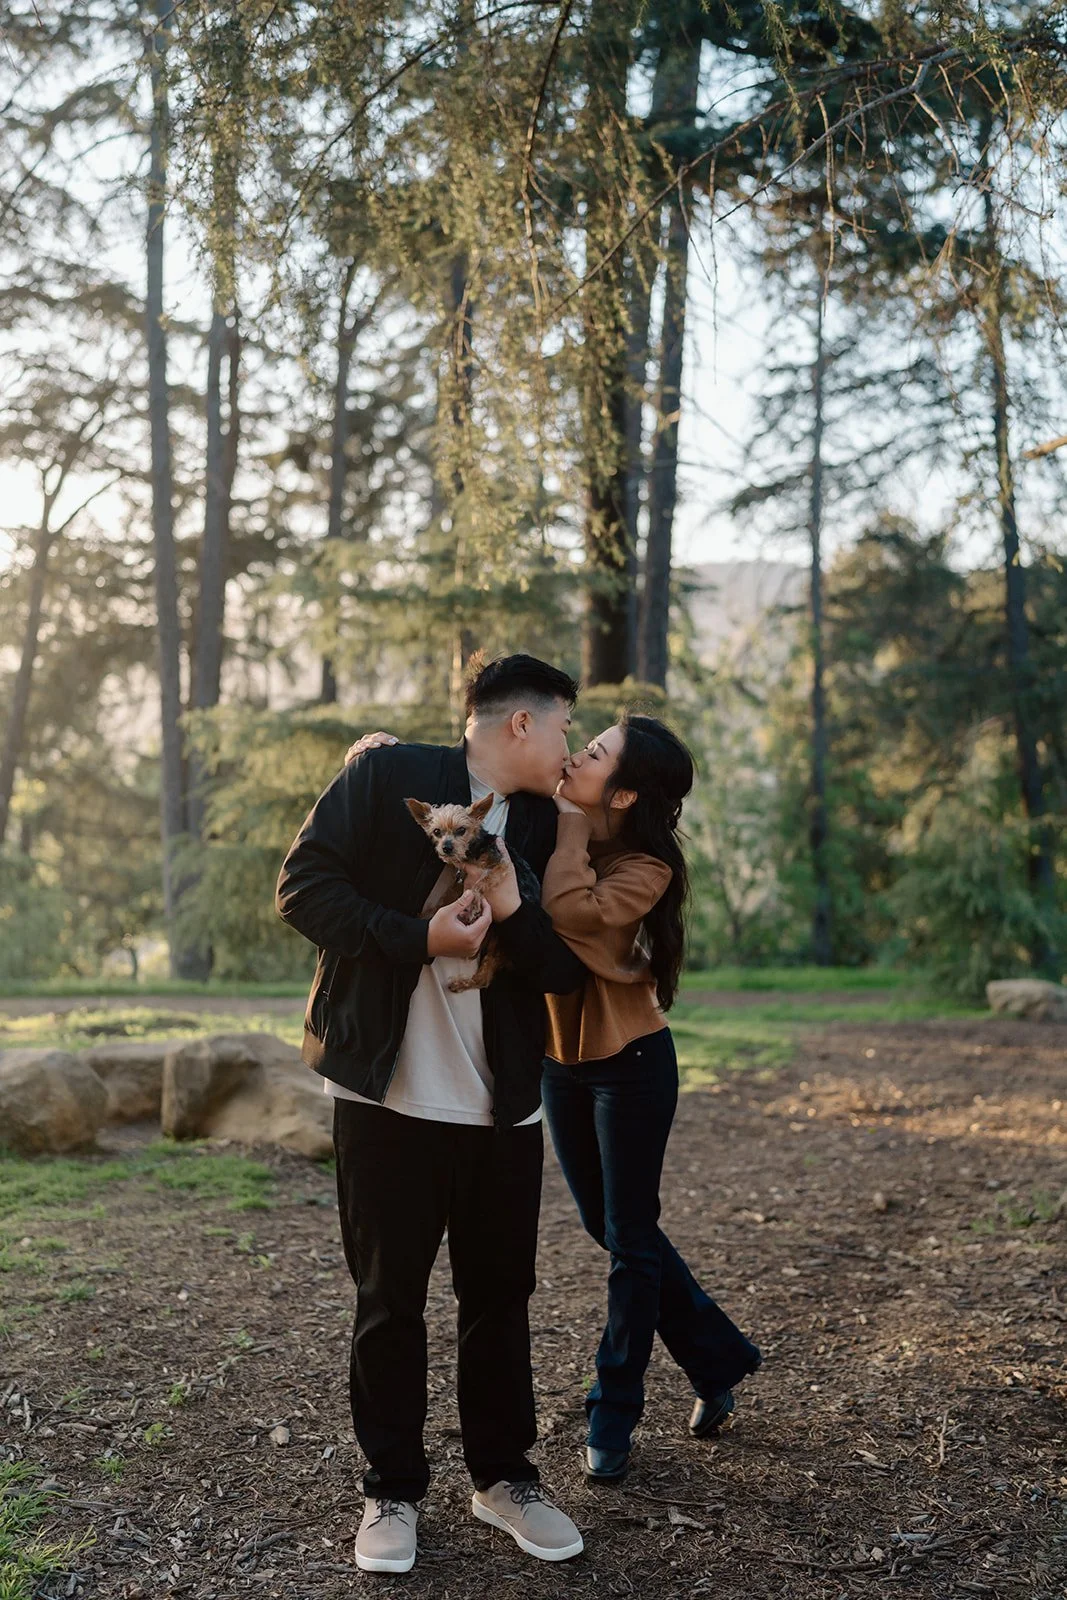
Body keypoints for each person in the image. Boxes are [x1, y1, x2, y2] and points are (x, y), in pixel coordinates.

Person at [276, 654, 587, 1575]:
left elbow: (565, 974)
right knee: (388, 1303)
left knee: (500, 1300)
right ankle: (391, 1491)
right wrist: (418, 939)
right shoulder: (385, 777)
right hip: (385, 1097)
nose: (571, 745)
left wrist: (510, 905)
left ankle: (504, 1479)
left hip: (504, 1110)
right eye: (566, 725)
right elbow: (303, 890)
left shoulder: (556, 825)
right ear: (520, 724)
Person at [539, 714, 762, 1483]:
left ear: (625, 791)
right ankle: (719, 1359)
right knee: (609, 1228)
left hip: (629, 1063)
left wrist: (566, 830)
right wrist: (382, 756)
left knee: (630, 1237)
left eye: (594, 752)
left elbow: (569, 912)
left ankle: (613, 1412)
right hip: (558, 1060)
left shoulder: (646, 867)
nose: (575, 754)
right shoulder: (549, 818)